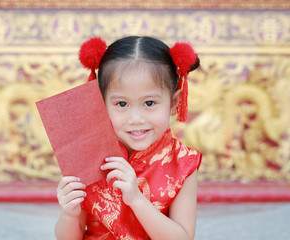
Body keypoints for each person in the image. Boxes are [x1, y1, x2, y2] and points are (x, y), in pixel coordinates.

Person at [55, 36, 202, 240]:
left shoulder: (183, 163)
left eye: (149, 103)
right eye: (122, 104)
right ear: (100, 103)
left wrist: (136, 199)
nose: (135, 119)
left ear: (174, 102)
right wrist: (69, 215)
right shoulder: (87, 156)